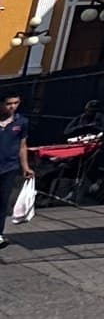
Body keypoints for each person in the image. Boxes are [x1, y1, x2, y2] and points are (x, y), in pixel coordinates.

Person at [0, 88, 28, 248]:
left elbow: (22, 146)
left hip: (9, 167)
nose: (12, 107)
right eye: (8, 103)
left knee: (3, 202)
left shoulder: (21, 122)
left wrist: (25, 166)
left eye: (16, 103)